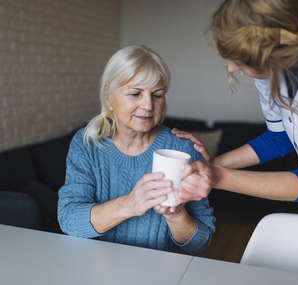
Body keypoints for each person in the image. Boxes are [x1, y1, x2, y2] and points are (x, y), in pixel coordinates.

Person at [173, 0, 298, 226]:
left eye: (240, 59)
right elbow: (280, 138)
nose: (231, 67)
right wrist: (213, 164)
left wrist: (217, 177)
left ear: (277, 54)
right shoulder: (272, 68)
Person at [58, 45, 215, 255]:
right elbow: (69, 220)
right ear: (108, 97)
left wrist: (175, 215)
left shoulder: (182, 148)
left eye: (157, 95)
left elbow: (200, 242)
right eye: (135, 93)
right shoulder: (87, 144)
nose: (149, 105)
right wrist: (129, 204)